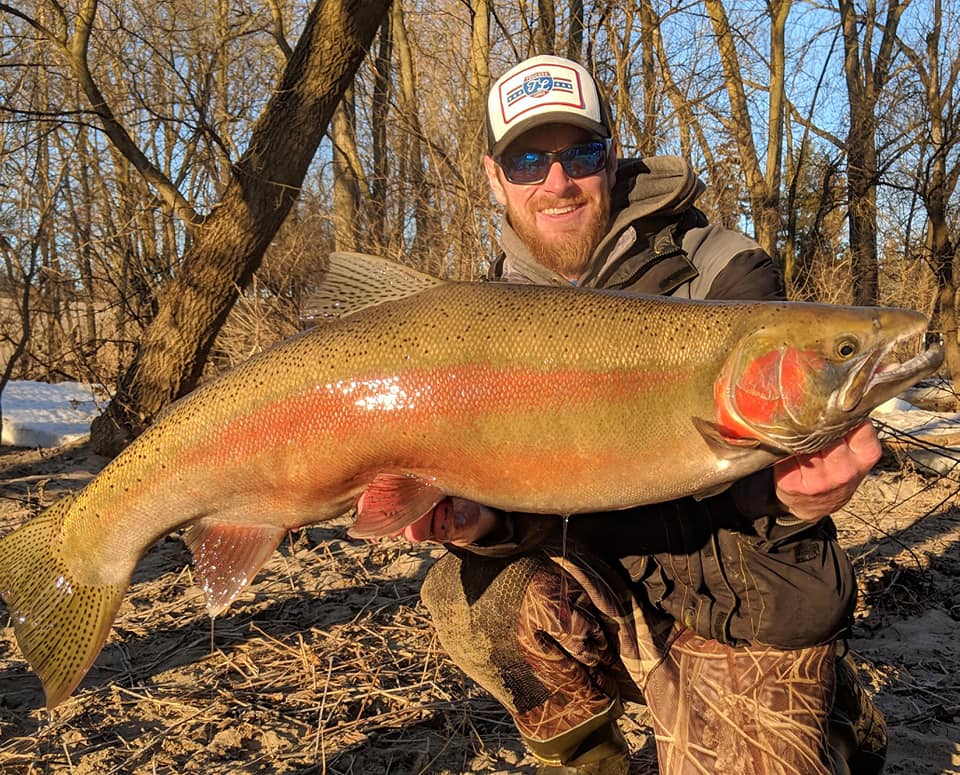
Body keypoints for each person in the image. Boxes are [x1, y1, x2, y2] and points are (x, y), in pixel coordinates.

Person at [405, 55, 888, 774]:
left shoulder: (725, 273)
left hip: (738, 612)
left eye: (581, 153)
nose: (557, 182)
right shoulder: (480, 321)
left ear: (614, 152)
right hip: (609, 601)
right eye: (528, 159)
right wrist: (491, 522)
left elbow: (743, 451)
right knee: (472, 593)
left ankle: (837, 711)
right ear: (492, 178)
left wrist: (789, 499)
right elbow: (558, 495)